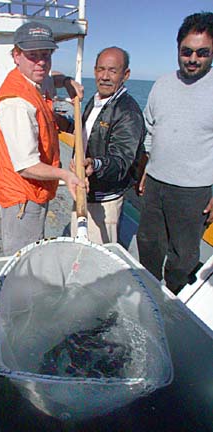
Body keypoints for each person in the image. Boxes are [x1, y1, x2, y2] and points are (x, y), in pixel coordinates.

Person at [0, 21, 84, 256]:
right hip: (23, 195)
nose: (41, 62)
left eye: (46, 55)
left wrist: (67, 81)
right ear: (16, 56)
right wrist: (65, 175)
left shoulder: (34, 81)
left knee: (34, 248)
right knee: (23, 259)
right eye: (33, 55)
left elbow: (52, 79)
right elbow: (26, 167)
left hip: (36, 189)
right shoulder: (17, 103)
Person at [137, 12, 213, 294]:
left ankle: (174, 300)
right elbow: (151, 129)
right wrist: (147, 166)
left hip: (194, 192)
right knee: (148, 244)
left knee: (183, 257)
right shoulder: (162, 84)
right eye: (187, 51)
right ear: (178, 49)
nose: (193, 59)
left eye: (202, 53)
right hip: (156, 184)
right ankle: (149, 293)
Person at [70, 47, 146, 244]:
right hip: (83, 190)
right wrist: (67, 124)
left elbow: (121, 160)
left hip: (104, 199)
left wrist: (95, 165)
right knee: (78, 251)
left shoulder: (128, 113)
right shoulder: (95, 101)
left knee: (96, 258)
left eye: (112, 71)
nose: (104, 76)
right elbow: (92, 132)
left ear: (125, 74)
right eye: (100, 69)